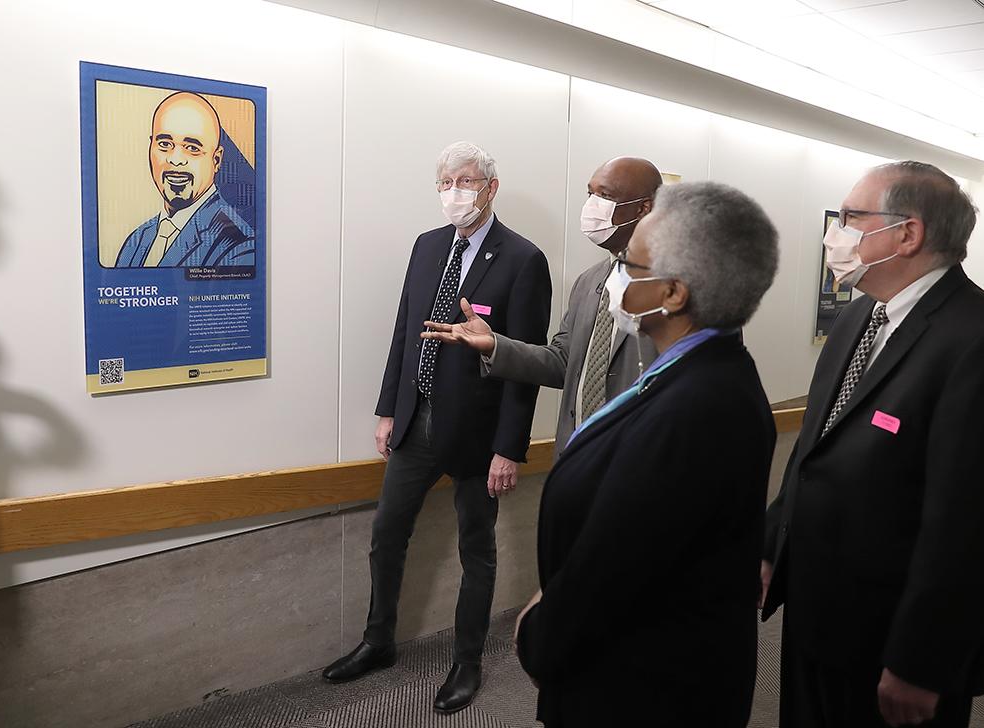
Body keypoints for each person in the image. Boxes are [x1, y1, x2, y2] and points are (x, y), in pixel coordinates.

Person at [515, 181, 779, 727]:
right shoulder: (695, 373)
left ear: (673, 293)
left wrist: (539, 637)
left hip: (646, 689)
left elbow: (617, 563)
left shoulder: (699, 408)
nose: (616, 283)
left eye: (630, 268)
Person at [322, 141, 552, 714]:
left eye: (466, 180)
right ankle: (379, 641)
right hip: (416, 421)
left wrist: (508, 449)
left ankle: (466, 662)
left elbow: (523, 364)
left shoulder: (524, 260)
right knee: (386, 534)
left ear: (491, 188)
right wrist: (387, 410)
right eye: (445, 181)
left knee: (478, 551)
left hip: (478, 436)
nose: (455, 191)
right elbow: (404, 332)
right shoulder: (427, 247)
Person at [760, 162, 984, 728]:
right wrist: (773, 545)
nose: (837, 232)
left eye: (853, 217)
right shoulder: (861, 312)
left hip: (891, 643)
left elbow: (964, 522)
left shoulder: (972, 339)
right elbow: (816, 446)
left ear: (908, 234)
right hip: (817, 610)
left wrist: (922, 661)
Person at [422, 156, 661, 460]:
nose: (593, 206)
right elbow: (562, 362)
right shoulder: (590, 283)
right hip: (578, 455)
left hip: (640, 462)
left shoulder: (678, 287)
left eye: (606, 196)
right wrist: (495, 345)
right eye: (591, 194)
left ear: (644, 208)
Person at [114, 91, 255, 269]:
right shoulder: (136, 240)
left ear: (216, 160)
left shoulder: (238, 245)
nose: (176, 159)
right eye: (165, 144)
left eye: (192, 147)